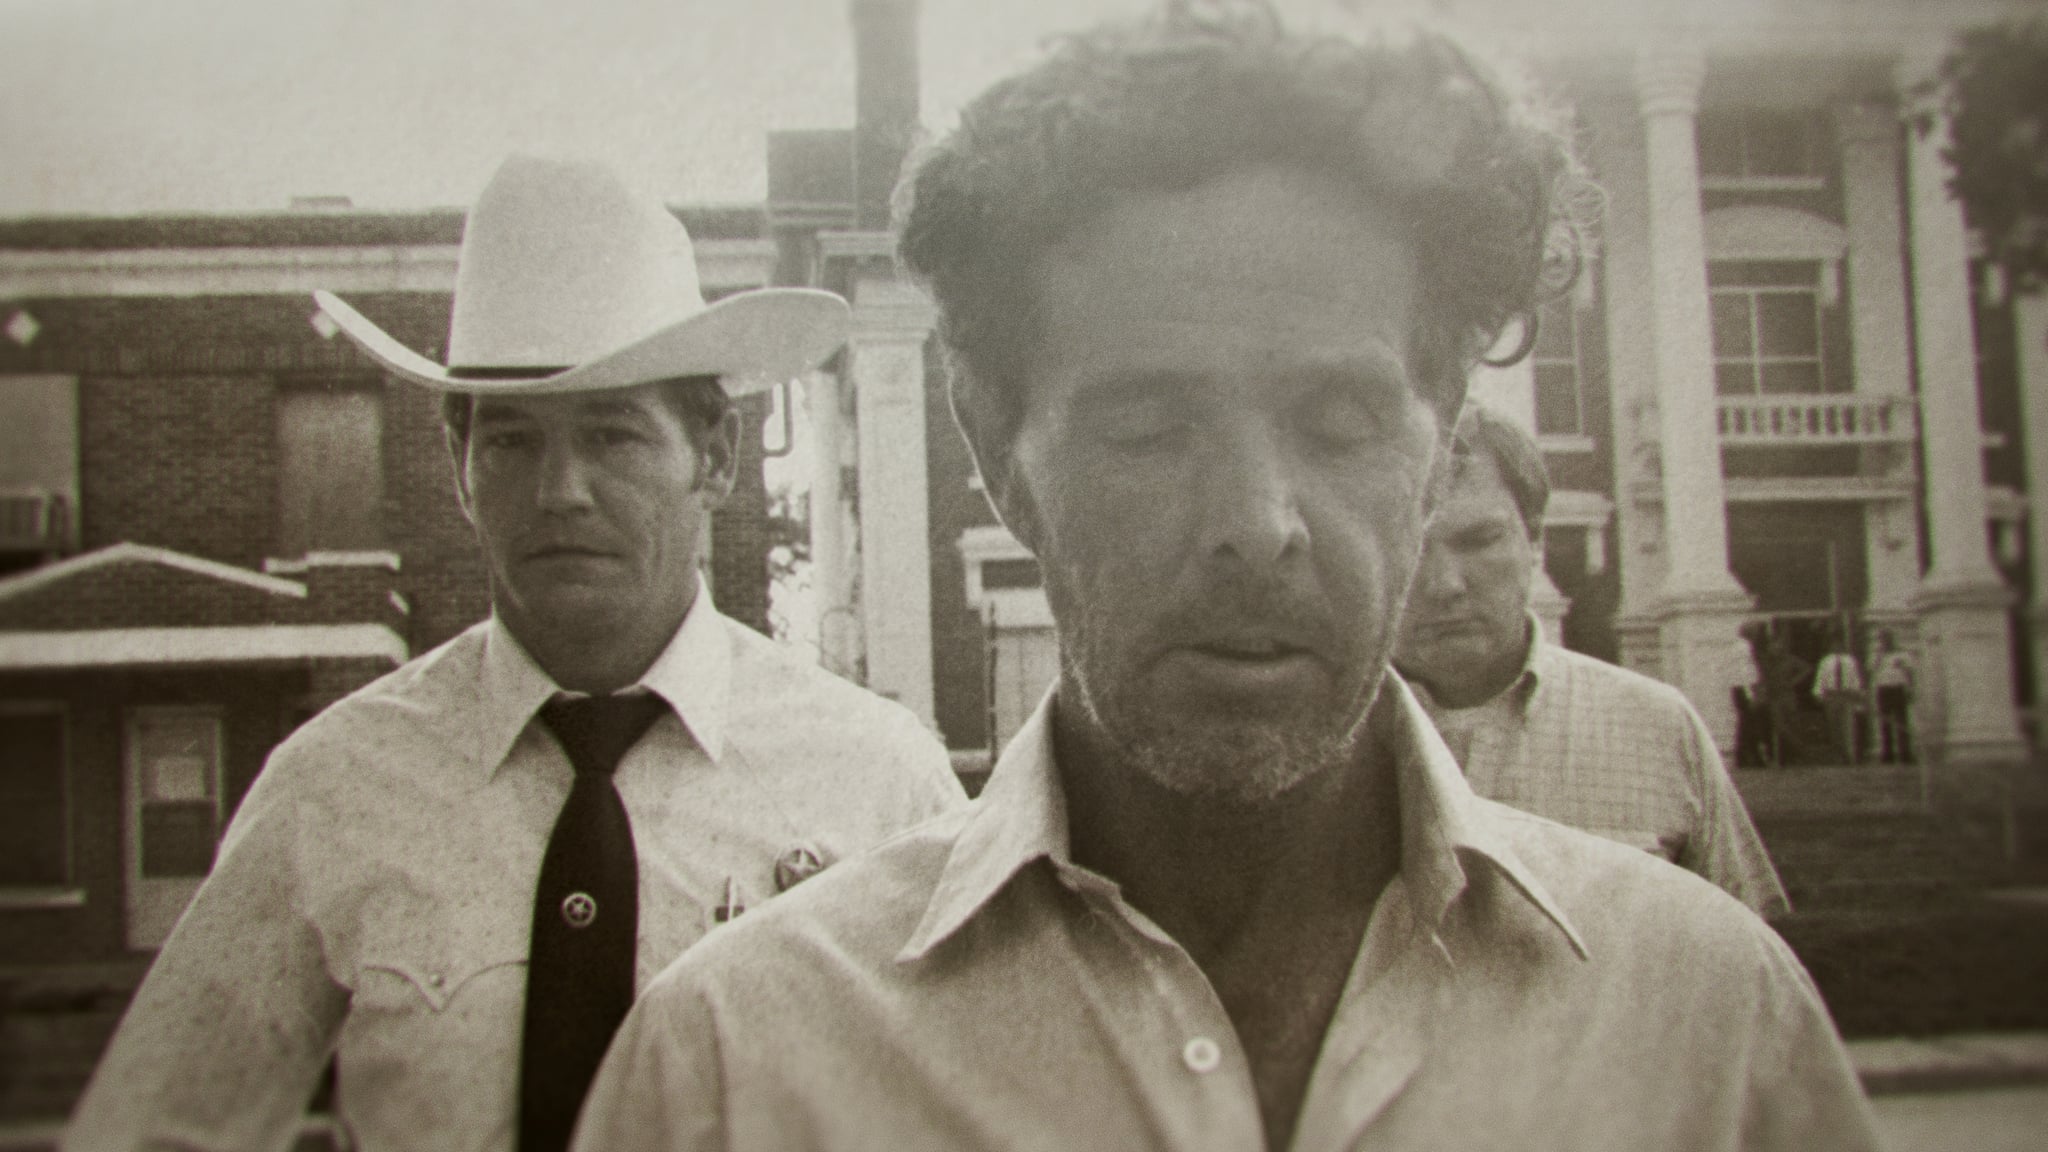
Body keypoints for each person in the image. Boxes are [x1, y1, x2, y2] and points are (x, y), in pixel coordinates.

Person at [575, 6, 1879, 1150]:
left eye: (1340, 421)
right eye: (1150, 427)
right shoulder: (742, 1070)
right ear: (1001, 460)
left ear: (1440, 456)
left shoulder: (1707, 1029)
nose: (1258, 525)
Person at [66, 156, 965, 1152]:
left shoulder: (876, 782)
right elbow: (154, 1129)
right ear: (458, 469)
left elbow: (989, 1116)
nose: (560, 491)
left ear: (713, 455)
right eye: (511, 443)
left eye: (613, 436)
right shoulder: (336, 786)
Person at [1394, 405, 1788, 917]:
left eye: (1479, 541)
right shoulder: (1321, 744)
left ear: (1535, 540)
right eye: (1411, 545)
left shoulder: (1659, 727)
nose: (1445, 583)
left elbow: (1748, 961)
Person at [1814, 629, 1866, 766]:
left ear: (1843, 645)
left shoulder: (1850, 661)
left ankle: (1851, 755)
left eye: (1839, 644)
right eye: (1834, 644)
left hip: (1847, 695)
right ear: (1831, 645)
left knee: (1848, 726)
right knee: (1834, 727)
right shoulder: (1826, 661)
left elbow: (1856, 678)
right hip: (1832, 696)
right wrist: (1819, 693)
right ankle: (1839, 755)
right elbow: (1821, 678)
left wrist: (1859, 694)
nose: (1836, 646)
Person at [1870, 628, 1917, 765]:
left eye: (1887, 639)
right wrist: (1879, 655)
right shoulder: (1877, 655)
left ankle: (1905, 753)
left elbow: (1909, 672)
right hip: (1883, 689)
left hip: (1898, 688)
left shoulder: (1902, 654)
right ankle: (1887, 754)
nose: (1885, 642)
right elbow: (1873, 670)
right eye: (1882, 639)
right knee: (1885, 722)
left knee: (1901, 721)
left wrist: (1911, 688)